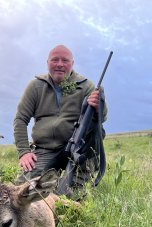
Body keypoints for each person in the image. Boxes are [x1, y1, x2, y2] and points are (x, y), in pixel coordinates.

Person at [13, 45, 107, 195]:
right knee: (20, 192)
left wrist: (99, 106)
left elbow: (102, 119)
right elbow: (20, 119)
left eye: (65, 60)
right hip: (45, 149)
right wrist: (24, 152)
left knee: (71, 196)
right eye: (55, 60)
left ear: (72, 63)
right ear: (47, 62)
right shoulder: (35, 86)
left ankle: (82, 174)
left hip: (78, 150)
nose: (60, 64)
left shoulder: (86, 86)